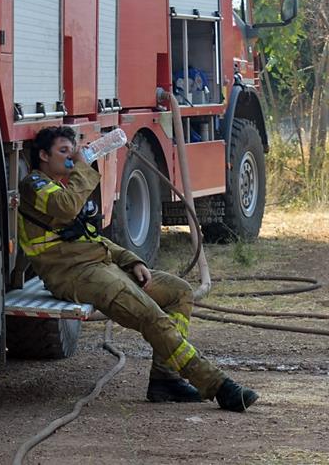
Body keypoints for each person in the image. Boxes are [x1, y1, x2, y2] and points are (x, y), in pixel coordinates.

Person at [18, 126, 258, 411]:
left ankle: (165, 378)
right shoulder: (34, 185)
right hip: (73, 275)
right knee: (152, 316)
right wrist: (82, 168)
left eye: (73, 150)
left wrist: (131, 260)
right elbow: (67, 207)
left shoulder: (62, 186)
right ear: (44, 155)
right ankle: (218, 385)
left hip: (100, 266)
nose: (72, 157)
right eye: (63, 151)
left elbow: (90, 238)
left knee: (179, 292)